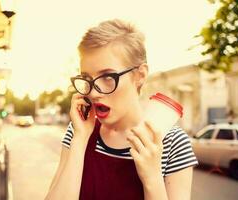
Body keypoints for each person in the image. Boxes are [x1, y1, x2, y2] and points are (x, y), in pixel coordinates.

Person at [45, 19, 198, 200]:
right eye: (87, 78)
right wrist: (80, 139)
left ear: (140, 75)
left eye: (108, 77)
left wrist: (152, 179)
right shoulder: (79, 130)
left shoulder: (173, 143)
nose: (93, 93)